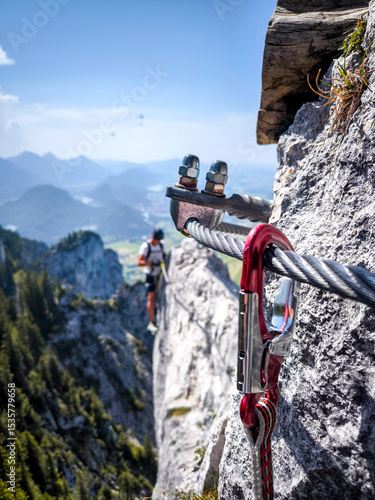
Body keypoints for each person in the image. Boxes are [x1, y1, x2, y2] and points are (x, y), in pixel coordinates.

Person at [137, 228, 166, 333]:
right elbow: (139, 262)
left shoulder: (161, 245)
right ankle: (151, 322)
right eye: (157, 239)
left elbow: (164, 256)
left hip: (159, 273)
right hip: (150, 274)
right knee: (152, 297)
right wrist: (150, 263)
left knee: (160, 295)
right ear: (153, 238)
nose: (158, 241)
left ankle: (158, 316)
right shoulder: (146, 247)